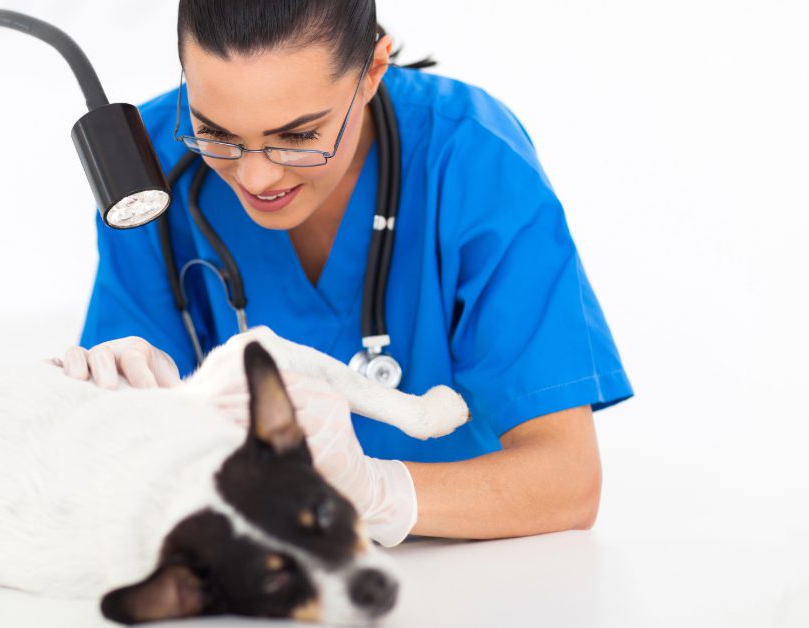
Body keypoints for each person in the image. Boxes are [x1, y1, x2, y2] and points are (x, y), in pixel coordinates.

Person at [63, 0, 633, 545]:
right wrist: (106, 406)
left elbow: (568, 480)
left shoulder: (471, 154)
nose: (256, 178)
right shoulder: (148, 171)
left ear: (372, 71)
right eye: (216, 132)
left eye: (298, 136)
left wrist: (378, 494)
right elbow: (124, 456)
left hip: (472, 566)